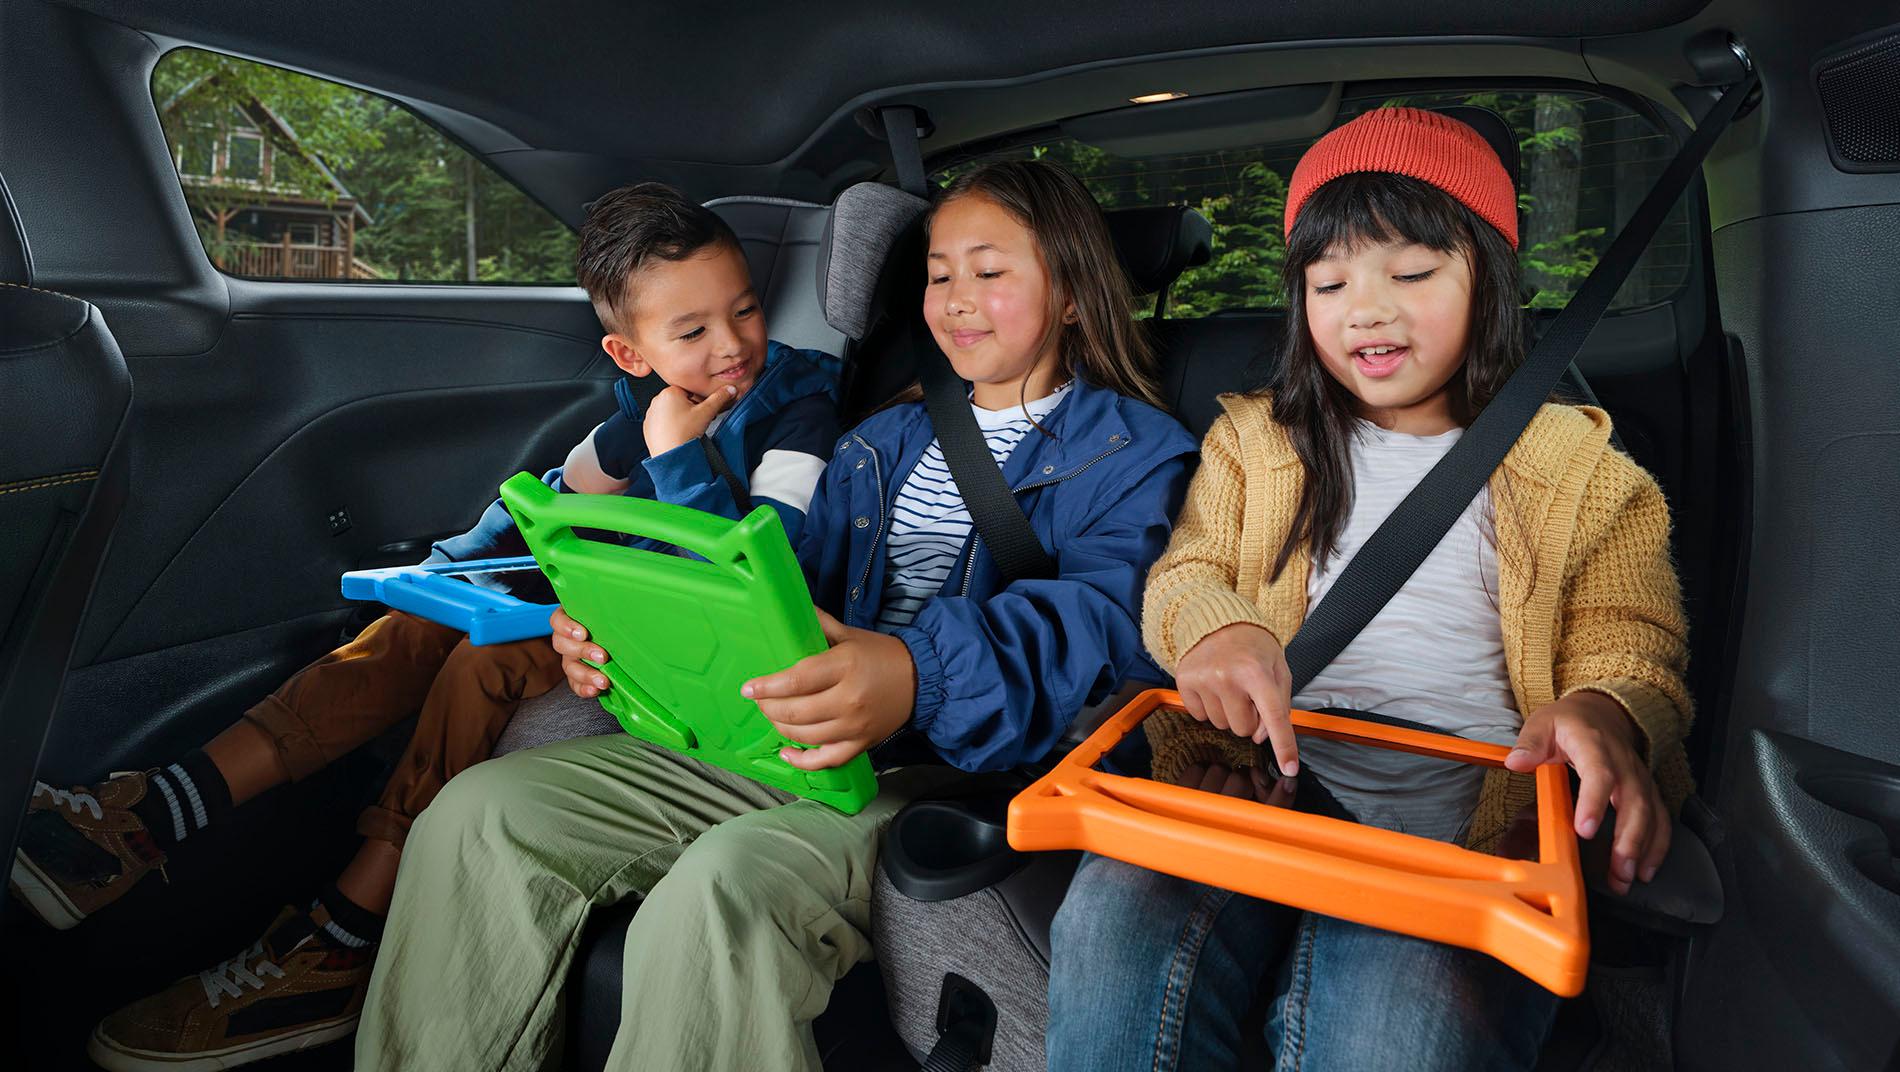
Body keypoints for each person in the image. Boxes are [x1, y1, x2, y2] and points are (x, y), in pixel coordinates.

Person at [353, 159, 1200, 1072]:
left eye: (988, 271)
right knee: (477, 814)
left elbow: (1100, 626)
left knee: (721, 889)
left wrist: (914, 674)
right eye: (939, 274)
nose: (956, 298)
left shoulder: (1137, 453)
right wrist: (616, 632)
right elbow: (777, 588)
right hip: (786, 741)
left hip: (947, 766)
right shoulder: (882, 439)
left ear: (1070, 292)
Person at [11, 181, 840, 1072]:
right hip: (621, 615)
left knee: (477, 668)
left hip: (696, 647)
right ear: (629, 353)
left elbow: (766, 572)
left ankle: (340, 938)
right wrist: (439, 575)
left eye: (744, 311)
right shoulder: (642, 408)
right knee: (408, 633)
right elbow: (542, 510)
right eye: (693, 332)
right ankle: (148, 818)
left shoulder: (798, 402)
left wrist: (677, 455)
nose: (732, 346)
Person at [1045, 107, 1694, 1071]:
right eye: (1330, 282)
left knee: (1393, 1018)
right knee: (1111, 918)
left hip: (1461, 831)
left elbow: (1630, 633)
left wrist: (1603, 709)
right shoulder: (1254, 443)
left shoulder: (1581, 469)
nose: (1366, 310)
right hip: (1254, 789)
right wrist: (1216, 631)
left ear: (1490, 278)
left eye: (1413, 273)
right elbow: (1187, 573)